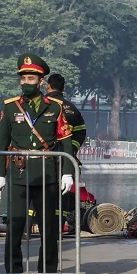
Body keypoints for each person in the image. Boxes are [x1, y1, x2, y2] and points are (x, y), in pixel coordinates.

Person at [0, 55, 74, 274]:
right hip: (19, 172)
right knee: (16, 224)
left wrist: (66, 172)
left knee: (49, 225)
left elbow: (66, 141)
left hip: (47, 172)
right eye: (23, 78)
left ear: (41, 81)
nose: (26, 82)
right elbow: (1, 142)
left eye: (31, 78)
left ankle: (47, 273)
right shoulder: (10, 107)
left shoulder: (55, 108)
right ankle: (13, 271)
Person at [45, 73, 85, 236]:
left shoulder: (43, 105)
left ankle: (31, 227)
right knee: (63, 194)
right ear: (64, 88)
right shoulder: (71, 108)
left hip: (44, 158)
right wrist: (72, 150)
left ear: (47, 86)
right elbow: (81, 132)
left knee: (38, 192)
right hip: (65, 159)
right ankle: (59, 228)